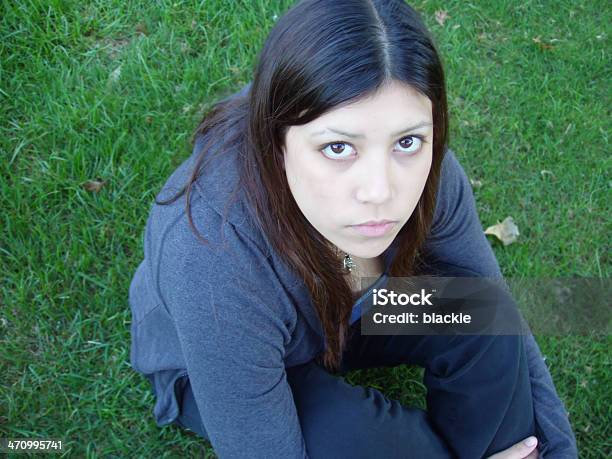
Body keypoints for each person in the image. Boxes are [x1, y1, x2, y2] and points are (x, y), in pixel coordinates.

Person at [128, 1, 578, 457]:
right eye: (339, 147)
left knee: (483, 314)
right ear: (276, 142)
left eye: (407, 141)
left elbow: (497, 312)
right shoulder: (212, 251)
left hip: (356, 313)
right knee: (378, 445)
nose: (380, 191)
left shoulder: (432, 172)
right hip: (220, 360)